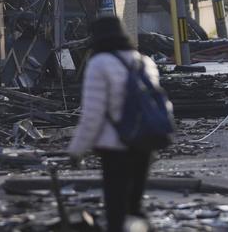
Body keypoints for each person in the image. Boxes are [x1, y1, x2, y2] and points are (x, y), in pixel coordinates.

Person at [67, 16, 161, 231]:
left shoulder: (98, 64)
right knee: (135, 205)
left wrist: (76, 150)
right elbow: (157, 103)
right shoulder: (143, 61)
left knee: (116, 207)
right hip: (144, 142)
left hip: (115, 147)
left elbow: (92, 114)